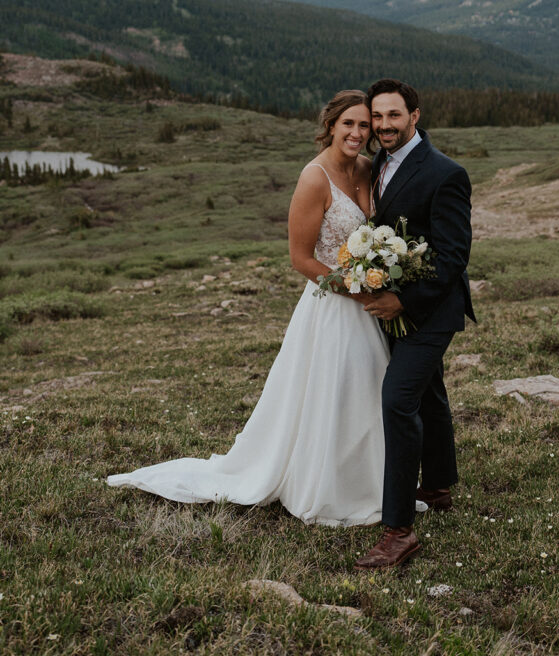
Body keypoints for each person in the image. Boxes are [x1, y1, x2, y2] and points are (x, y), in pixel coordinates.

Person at [107, 90, 391, 526]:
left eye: (364, 125)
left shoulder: (369, 169)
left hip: (368, 303)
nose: (357, 133)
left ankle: (368, 481)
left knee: (366, 391)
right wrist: (354, 289)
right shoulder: (314, 178)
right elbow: (301, 258)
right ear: (331, 125)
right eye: (348, 124)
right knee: (330, 392)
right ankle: (322, 485)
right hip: (333, 304)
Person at [354, 78, 474, 569]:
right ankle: (439, 485)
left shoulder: (445, 173)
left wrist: (403, 302)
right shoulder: (377, 164)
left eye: (393, 116)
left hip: (432, 309)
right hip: (399, 304)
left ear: (415, 116)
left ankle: (398, 531)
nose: (383, 126)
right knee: (429, 391)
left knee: (398, 400)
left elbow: (453, 255)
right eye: (376, 117)